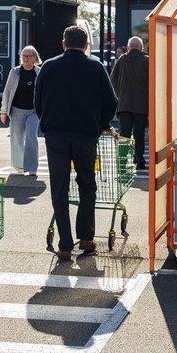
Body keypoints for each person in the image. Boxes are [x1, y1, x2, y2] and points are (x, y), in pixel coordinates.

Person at [35, 26, 118, 261]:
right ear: (85, 45)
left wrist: (49, 122)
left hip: (56, 136)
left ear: (63, 43)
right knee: (87, 185)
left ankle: (65, 243)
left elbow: (38, 102)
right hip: (85, 136)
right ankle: (86, 237)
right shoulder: (95, 67)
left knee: (59, 189)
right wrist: (101, 123)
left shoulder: (49, 67)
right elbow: (111, 102)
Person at [0, 45, 42, 176]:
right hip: (17, 110)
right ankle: (19, 165)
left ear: (35, 58)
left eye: (29, 56)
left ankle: (32, 168)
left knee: (31, 136)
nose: (26, 58)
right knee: (17, 139)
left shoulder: (39, 72)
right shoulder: (15, 72)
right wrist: (3, 111)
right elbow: (6, 92)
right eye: (23, 56)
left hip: (34, 110)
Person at [110, 36, 149, 173]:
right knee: (139, 135)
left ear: (128, 47)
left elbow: (112, 80)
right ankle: (140, 162)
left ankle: (122, 165)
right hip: (142, 106)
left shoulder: (121, 60)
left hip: (124, 105)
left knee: (124, 135)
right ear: (141, 48)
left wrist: (120, 95)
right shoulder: (147, 61)